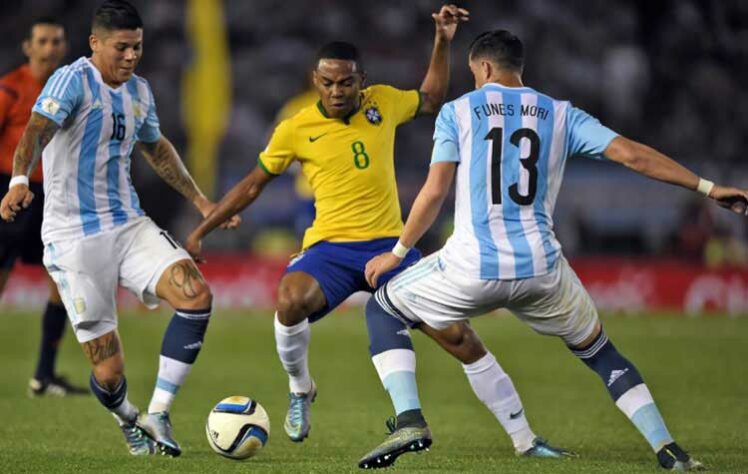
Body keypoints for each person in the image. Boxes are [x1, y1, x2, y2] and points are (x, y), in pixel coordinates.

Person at [187, 6, 568, 460]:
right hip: (329, 249)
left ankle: (526, 439)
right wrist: (202, 229)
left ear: (360, 79)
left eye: (345, 82)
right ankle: (300, 389)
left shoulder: (382, 102)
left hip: (391, 249)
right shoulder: (295, 128)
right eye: (327, 83)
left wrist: (442, 41)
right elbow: (253, 183)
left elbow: (430, 98)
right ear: (315, 80)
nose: (336, 91)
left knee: (459, 338)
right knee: (289, 299)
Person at [358, 29, 740, 470]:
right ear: (518, 68)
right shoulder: (560, 114)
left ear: (482, 68)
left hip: (471, 268)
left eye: (473, 72)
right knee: (602, 354)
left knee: (384, 307)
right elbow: (633, 156)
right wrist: (709, 189)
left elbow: (434, 191)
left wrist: (399, 251)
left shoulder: (458, 111)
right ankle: (668, 449)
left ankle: (410, 418)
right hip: (543, 270)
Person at [0, 0, 238, 457]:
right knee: (108, 375)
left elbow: (157, 148)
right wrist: (16, 181)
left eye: (138, 48)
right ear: (96, 44)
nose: (131, 57)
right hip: (73, 239)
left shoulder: (140, 92)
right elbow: (34, 129)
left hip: (128, 224)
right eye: (122, 48)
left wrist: (202, 201)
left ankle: (160, 413)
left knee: (196, 296)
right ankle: (129, 416)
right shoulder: (73, 80)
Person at [0, 17, 87, 397]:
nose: (50, 48)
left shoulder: (72, 89)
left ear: (65, 46)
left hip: (54, 195)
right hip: (11, 193)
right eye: (43, 41)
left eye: (57, 41)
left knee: (61, 281)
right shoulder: (11, 89)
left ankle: (44, 375)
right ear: (28, 47)